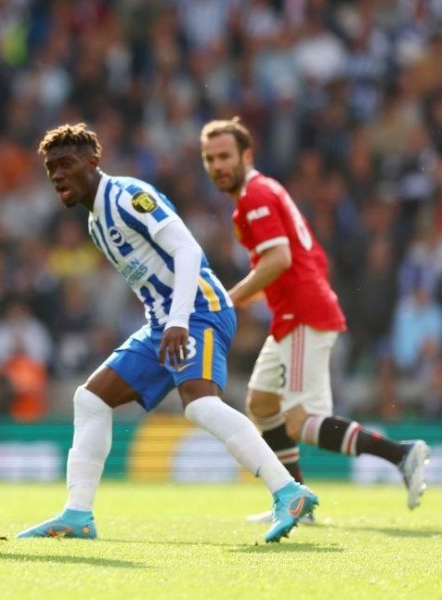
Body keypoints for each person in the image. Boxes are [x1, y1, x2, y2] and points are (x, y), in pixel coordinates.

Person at [16, 123, 317, 544]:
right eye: (52, 169)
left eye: (67, 164)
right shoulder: (95, 225)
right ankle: (77, 514)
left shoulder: (126, 196)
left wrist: (177, 320)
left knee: (199, 405)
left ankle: (288, 491)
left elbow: (188, 249)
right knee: (90, 400)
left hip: (198, 310)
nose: (58, 175)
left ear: (93, 162)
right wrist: (167, 321)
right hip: (164, 322)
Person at [199, 117, 430, 523]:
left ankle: (402, 454)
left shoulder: (255, 197)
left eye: (224, 156)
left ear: (246, 155)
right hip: (294, 313)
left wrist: (228, 299)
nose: (217, 165)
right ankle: (297, 501)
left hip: (303, 313)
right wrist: (235, 299)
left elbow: (280, 259)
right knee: (262, 403)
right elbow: (298, 260)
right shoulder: (261, 195)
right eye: (210, 158)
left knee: (301, 422)